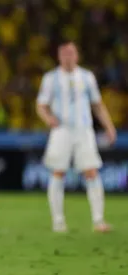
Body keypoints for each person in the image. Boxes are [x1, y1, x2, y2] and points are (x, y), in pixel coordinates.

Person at [36, 41, 117, 233]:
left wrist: (109, 127)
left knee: (91, 171)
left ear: (77, 56)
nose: (68, 57)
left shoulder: (87, 77)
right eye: (64, 54)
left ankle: (98, 221)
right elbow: (40, 105)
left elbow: (97, 104)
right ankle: (58, 222)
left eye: (71, 53)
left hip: (84, 130)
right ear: (59, 56)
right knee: (58, 172)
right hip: (61, 130)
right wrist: (48, 119)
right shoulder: (51, 78)